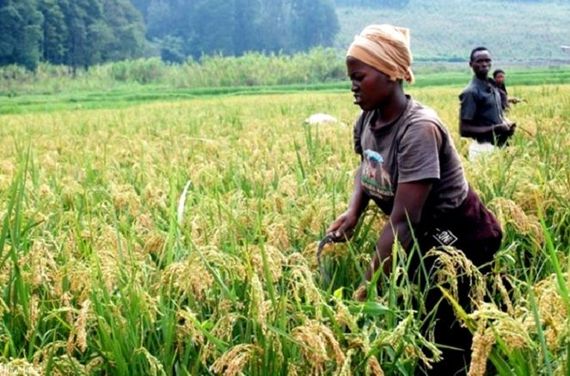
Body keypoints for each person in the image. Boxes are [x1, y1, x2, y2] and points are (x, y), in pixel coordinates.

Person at [324, 25, 503, 375]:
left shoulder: (418, 129)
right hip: (422, 241)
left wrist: (367, 287)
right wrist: (353, 211)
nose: (353, 85)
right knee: (425, 327)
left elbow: (403, 221)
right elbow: (368, 166)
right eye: (351, 78)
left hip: (462, 241)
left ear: (391, 72)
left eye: (359, 76)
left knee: (457, 342)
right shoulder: (367, 121)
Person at [459, 47, 516, 160]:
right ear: (471, 64)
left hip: (500, 147)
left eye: (487, 60)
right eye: (479, 61)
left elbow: (494, 117)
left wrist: (507, 126)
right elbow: (464, 129)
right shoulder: (471, 92)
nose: (484, 64)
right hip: (483, 149)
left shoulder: (493, 86)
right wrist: (496, 129)